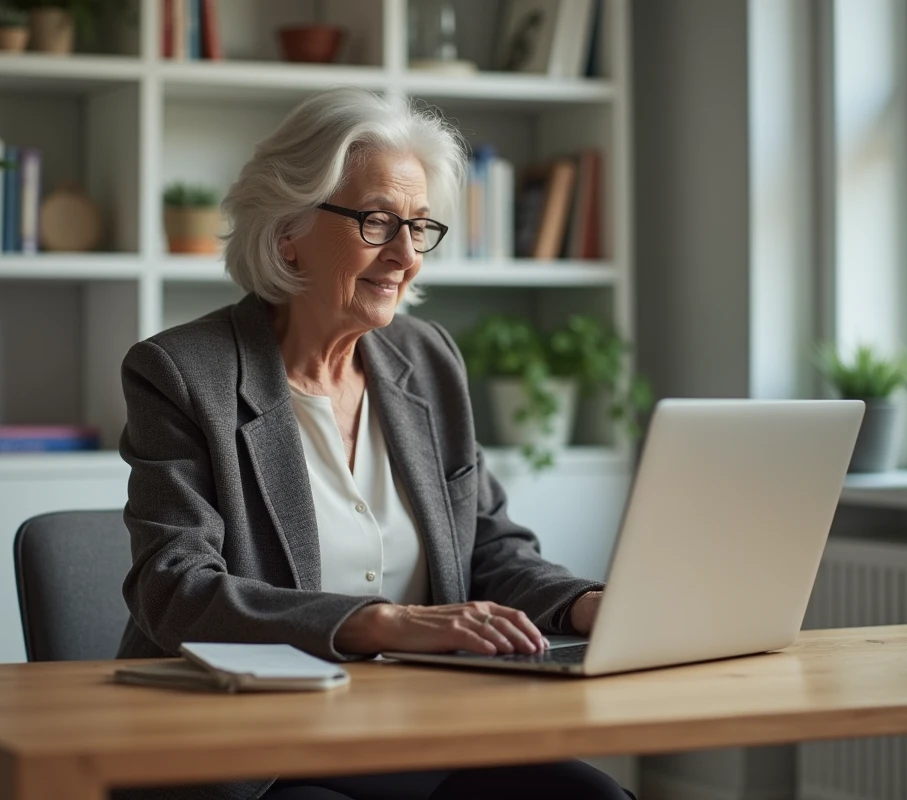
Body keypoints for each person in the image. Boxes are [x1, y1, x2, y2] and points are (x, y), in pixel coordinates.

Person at [116, 86, 630, 800]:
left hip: (423, 733)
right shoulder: (183, 373)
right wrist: (382, 624)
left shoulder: (428, 360)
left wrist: (585, 605)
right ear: (286, 228)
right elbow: (176, 590)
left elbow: (487, 547)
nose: (404, 255)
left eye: (420, 227)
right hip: (253, 750)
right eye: (376, 221)